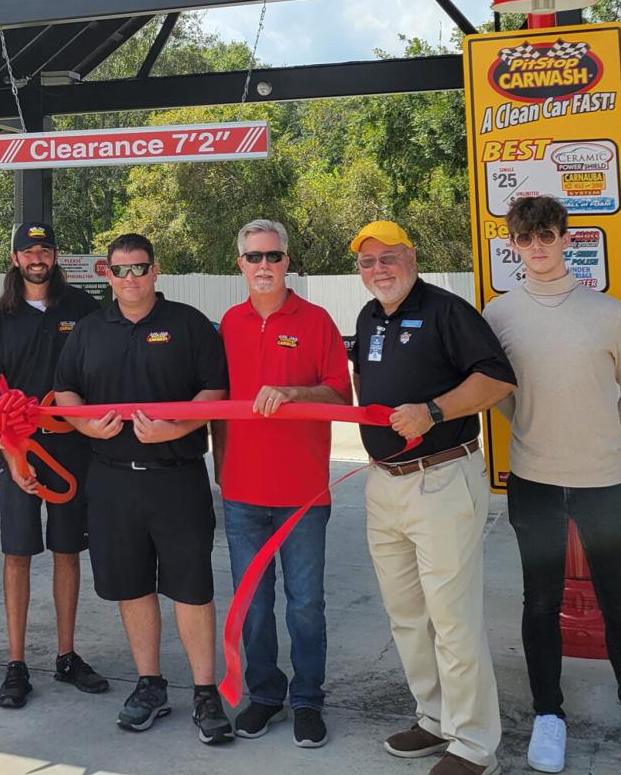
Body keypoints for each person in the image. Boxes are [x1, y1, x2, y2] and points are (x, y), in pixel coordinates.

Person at [482, 197, 621, 775]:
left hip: (603, 481)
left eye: (547, 235)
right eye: (525, 238)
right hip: (534, 480)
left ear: (567, 239)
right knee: (540, 603)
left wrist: (597, 437)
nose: (537, 246)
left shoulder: (608, 312)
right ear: (512, 245)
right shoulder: (499, 315)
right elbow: (498, 392)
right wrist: (540, 431)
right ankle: (548, 717)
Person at [53, 232, 234, 743]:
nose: (130, 279)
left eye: (140, 268)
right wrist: (85, 427)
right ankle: (150, 685)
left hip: (176, 477)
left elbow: (214, 389)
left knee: (192, 588)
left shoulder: (189, 324)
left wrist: (178, 427)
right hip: (110, 481)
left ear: (156, 271)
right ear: (106, 275)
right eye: (121, 270)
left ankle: (204, 692)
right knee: (131, 586)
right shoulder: (88, 330)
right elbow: (65, 388)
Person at [350, 220, 516, 775]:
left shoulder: (448, 311)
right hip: (384, 483)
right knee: (406, 614)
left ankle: (473, 745)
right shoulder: (368, 317)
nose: (379, 269)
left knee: (452, 617)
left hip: (442, 478)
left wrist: (435, 411)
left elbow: (498, 380)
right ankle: (435, 716)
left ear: (411, 256)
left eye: (389, 257)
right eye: (368, 262)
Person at [212, 219, 350, 748]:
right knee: (252, 604)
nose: (263, 265)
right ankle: (265, 695)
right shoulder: (229, 323)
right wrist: (220, 473)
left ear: (287, 260)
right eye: (253, 257)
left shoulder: (316, 322)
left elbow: (342, 397)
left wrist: (295, 393)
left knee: (305, 605)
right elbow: (215, 408)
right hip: (242, 493)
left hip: (303, 495)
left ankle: (308, 700)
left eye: (273, 256)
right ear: (240, 263)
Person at [0, 221, 109, 710]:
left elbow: (102, 375)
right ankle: (15, 664)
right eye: (28, 250)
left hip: (72, 448)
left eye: (45, 249)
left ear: (55, 257)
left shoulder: (84, 310)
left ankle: (67, 656)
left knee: (67, 550)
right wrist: (13, 455)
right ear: (14, 259)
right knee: (17, 554)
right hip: (18, 450)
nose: (37, 257)